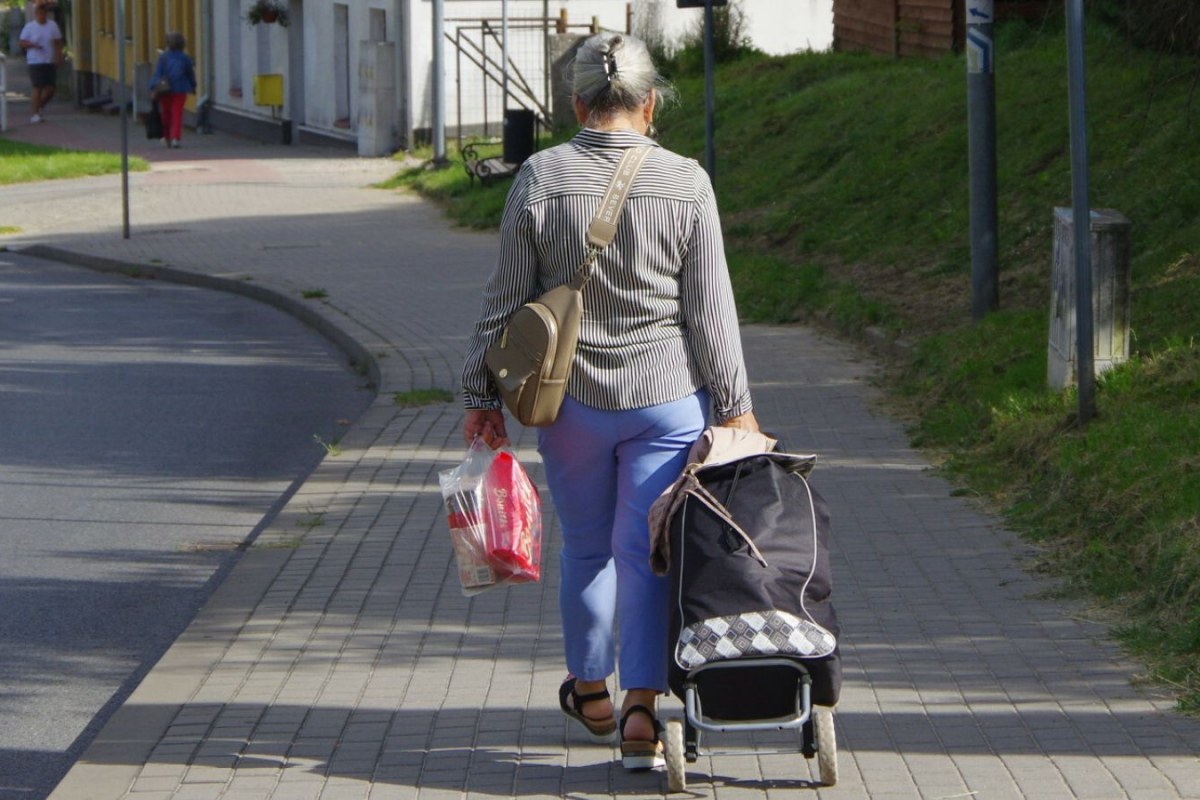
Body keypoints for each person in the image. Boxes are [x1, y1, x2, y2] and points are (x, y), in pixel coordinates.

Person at [460, 32, 758, 771]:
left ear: (575, 103)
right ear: (650, 103)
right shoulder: (686, 181)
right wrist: (737, 407)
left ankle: (590, 688)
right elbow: (711, 312)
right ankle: (640, 713)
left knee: (587, 549)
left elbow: (505, 303)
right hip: (667, 400)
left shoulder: (539, 177)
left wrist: (479, 395)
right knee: (648, 556)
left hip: (568, 406)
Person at [148, 32, 197, 149]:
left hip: (165, 90)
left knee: (166, 113)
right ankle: (175, 138)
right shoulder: (185, 58)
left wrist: (153, 87)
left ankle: (166, 137)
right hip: (180, 89)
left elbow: (158, 74)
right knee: (177, 113)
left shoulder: (163, 57)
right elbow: (190, 74)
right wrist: (193, 86)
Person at [18, 1, 63, 124]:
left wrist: (58, 56)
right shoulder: (30, 27)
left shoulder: (52, 26)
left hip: (49, 60)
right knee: (38, 87)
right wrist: (32, 45)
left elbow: (58, 42)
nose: (42, 16)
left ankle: (40, 105)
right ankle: (35, 114)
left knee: (51, 89)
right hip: (35, 61)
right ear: (36, 14)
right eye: (40, 14)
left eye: (44, 14)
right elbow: (22, 42)